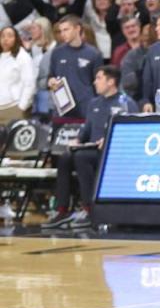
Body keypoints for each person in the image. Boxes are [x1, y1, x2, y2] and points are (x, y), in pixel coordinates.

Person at [42, 65, 137, 230]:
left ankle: (89, 209)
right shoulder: (94, 103)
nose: (94, 82)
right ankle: (62, 210)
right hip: (90, 148)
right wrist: (77, 140)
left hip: (111, 151)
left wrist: (108, 139)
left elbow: (131, 132)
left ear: (111, 82)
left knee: (81, 157)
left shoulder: (125, 103)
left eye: (99, 78)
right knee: (65, 158)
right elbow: (86, 130)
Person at [48, 15, 103, 121]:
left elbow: (98, 82)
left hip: (86, 106)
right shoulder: (57, 53)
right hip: (63, 107)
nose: (63, 34)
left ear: (77, 28)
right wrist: (51, 81)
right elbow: (51, 76)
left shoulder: (93, 54)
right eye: (61, 31)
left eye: (66, 30)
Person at [0, 26, 36, 123]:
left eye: (9, 36)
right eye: (2, 36)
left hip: (14, 107)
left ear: (16, 38)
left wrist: (21, 108)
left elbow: (29, 84)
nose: (5, 39)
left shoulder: (23, 57)